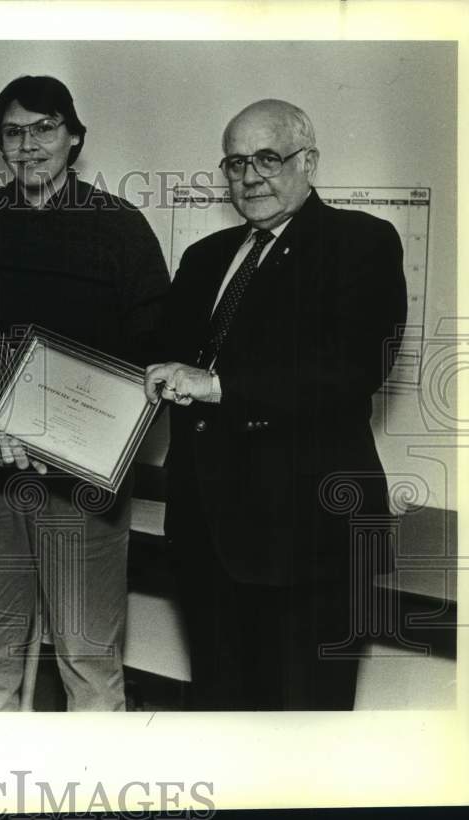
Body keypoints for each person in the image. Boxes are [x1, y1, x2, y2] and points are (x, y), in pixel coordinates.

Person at [0, 75, 170, 711]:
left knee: (87, 648)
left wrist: (88, 429)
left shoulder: (120, 227)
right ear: (0, 145)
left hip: (84, 476)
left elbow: (153, 348)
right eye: (13, 132)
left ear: (74, 138)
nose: (28, 144)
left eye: (44, 128)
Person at [144, 99, 407, 710]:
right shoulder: (206, 256)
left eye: (268, 157)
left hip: (307, 534)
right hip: (206, 534)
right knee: (223, 709)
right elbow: (157, 358)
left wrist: (221, 387)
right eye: (236, 163)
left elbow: (353, 370)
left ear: (308, 161)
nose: (250, 176)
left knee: (304, 727)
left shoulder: (360, 242)